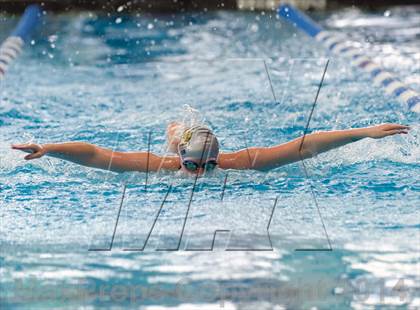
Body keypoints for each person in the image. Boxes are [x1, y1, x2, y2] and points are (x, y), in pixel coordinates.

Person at [12, 122, 409, 175]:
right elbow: (99, 155)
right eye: (194, 165)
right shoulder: (160, 165)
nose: (201, 173)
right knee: (175, 132)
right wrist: (50, 148)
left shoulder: (242, 163)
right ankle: (177, 129)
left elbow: (303, 146)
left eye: (210, 164)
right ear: (182, 159)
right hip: (175, 144)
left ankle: (182, 129)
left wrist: (365, 133)